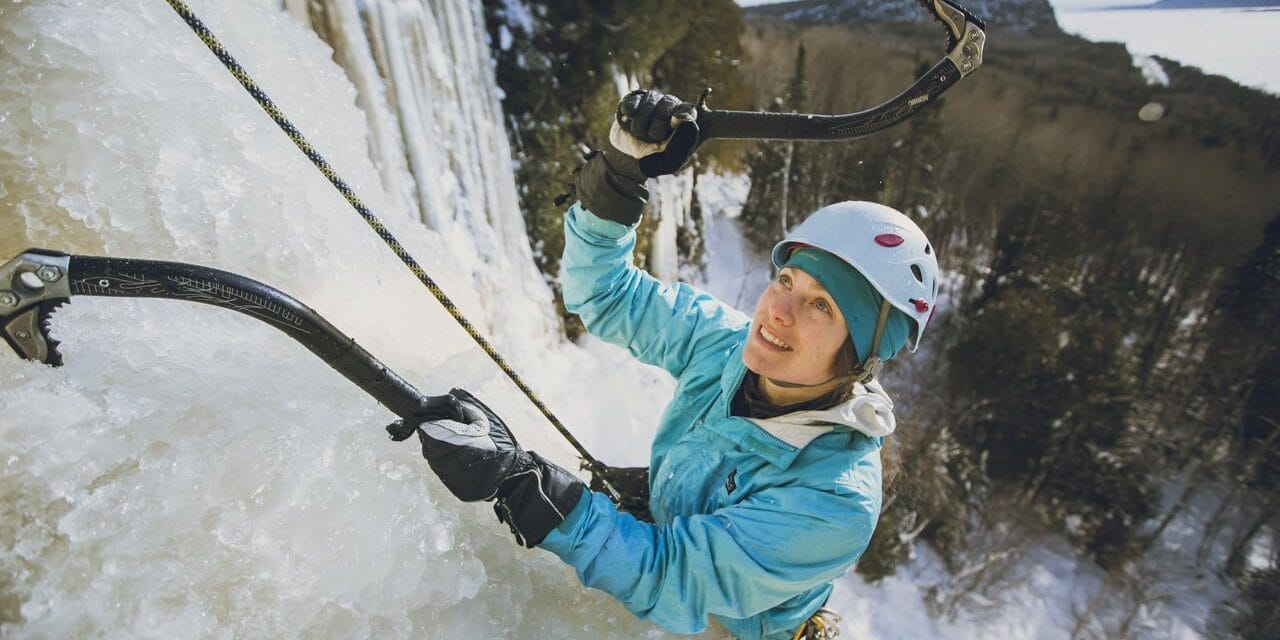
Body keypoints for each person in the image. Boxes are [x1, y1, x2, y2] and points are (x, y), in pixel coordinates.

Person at [392, 89, 940, 639]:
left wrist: (522, 485)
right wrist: (618, 178)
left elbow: (670, 576)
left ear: (862, 355)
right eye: (786, 279)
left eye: (822, 305)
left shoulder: (835, 500)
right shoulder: (723, 344)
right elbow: (605, 295)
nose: (779, 310)